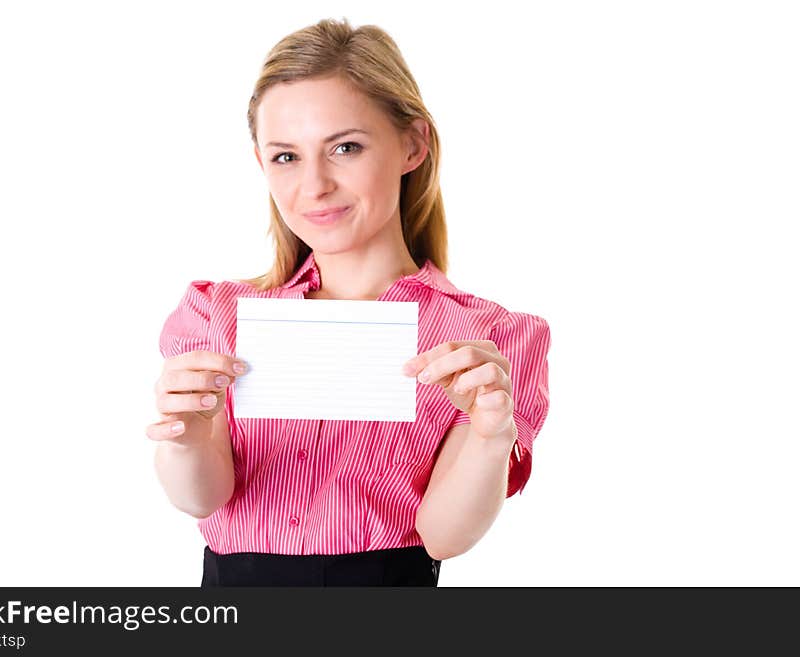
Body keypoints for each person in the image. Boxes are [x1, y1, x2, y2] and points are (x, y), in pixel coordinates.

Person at [147, 17, 551, 587]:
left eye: (345, 147)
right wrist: (186, 435)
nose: (314, 186)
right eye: (286, 156)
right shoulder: (218, 314)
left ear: (413, 144)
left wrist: (490, 436)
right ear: (261, 162)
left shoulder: (488, 340)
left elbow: (445, 537)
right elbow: (201, 499)